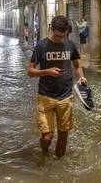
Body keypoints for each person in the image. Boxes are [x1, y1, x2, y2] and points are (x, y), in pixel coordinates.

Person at [27, 15, 87, 158]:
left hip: (65, 96)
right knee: (47, 137)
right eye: (58, 36)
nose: (61, 39)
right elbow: (30, 71)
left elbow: (77, 65)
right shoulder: (41, 46)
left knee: (63, 135)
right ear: (51, 29)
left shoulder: (70, 44)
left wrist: (81, 76)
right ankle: (44, 154)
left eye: (64, 36)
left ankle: (58, 169)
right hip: (45, 96)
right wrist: (47, 71)